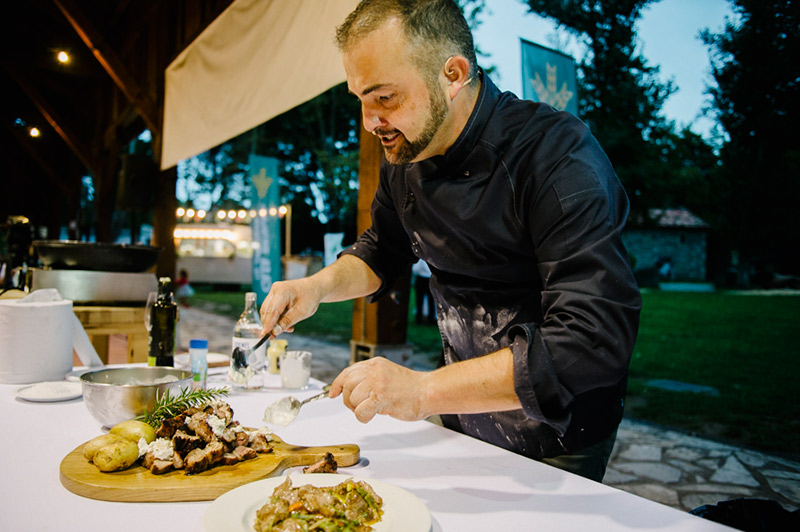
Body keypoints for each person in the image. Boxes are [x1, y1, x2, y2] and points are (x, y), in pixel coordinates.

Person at [259, 0, 641, 482]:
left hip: (559, 435)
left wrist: (420, 392)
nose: (368, 120)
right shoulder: (406, 155)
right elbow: (382, 249)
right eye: (359, 98)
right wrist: (315, 287)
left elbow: (593, 339)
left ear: (453, 73)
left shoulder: (555, 154)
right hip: (462, 418)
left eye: (384, 98)